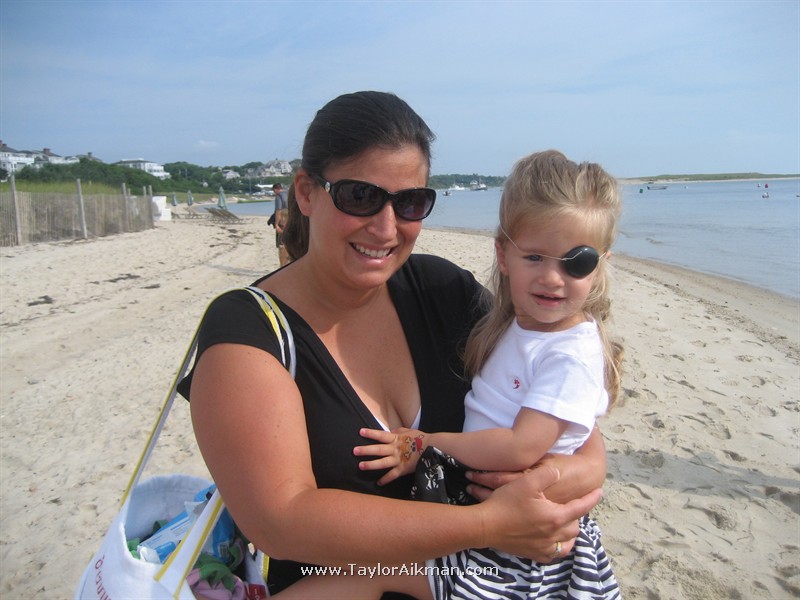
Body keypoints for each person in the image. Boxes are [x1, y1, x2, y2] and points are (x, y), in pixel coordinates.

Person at [182, 92, 607, 597]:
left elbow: (563, 407)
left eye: (409, 203)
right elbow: (281, 521)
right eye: (360, 196)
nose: (386, 228)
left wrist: (567, 474)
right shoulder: (248, 333)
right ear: (306, 193)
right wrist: (491, 524)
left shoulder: (443, 291)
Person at [276, 149, 624, 599]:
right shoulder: (511, 325)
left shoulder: (568, 353)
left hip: (513, 551)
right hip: (490, 525)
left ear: (601, 265)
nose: (553, 278)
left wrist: (425, 444)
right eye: (535, 257)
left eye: (576, 262)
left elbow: (522, 446)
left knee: (366, 575)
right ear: (503, 254)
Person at [272, 182, 289, 266]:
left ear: (275, 189)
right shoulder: (289, 194)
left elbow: (278, 211)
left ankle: (283, 265)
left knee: (281, 244)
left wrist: (276, 224)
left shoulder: (279, 196)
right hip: (291, 220)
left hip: (283, 220)